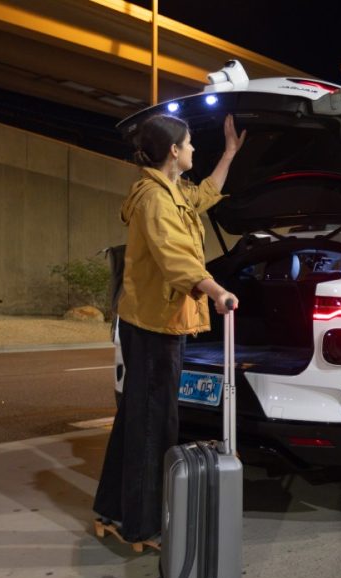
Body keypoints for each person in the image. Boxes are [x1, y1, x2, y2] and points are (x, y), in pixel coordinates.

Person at [93, 113, 245, 545]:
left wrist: (230, 153)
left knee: (134, 420)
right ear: (174, 152)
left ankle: (110, 511)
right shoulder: (155, 201)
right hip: (154, 326)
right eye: (191, 143)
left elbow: (205, 195)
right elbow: (175, 257)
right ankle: (138, 527)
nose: (196, 149)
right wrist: (216, 290)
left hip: (154, 321)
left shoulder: (171, 191)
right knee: (152, 424)